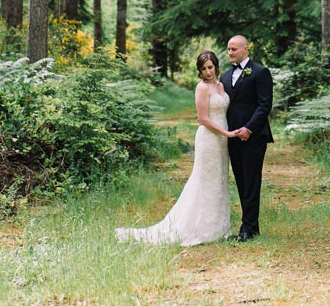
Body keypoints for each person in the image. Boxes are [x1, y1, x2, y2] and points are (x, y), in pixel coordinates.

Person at [115, 51, 238, 247]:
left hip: (221, 141)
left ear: (215, 66)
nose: (208, 72)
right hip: (210, 139)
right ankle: (198, 228)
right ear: (199, 71)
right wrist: (227, 133)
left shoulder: (221, 85)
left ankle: (218, 227)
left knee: (219, 180)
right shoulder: (201, 88)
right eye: (204, 69)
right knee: (204, 181)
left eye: (210, 67)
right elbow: (204, 119)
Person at [221, 35, 273, 242]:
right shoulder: (224, 77)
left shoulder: (260, 72)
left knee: (252, 181)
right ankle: (248, 226)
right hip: (232, 137)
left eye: (234, 49)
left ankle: (249, 228)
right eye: (228, 49)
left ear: (245, 49)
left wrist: (249, 129)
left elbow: (264, 105)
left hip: (254, 137)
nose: (230, 52)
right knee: (241, 181)